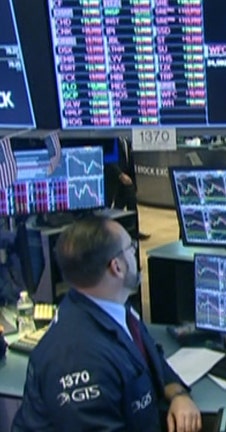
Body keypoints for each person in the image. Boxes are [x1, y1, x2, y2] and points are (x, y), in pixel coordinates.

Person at [12, 216, 201, 432]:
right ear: (116, 267)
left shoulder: (113, 307)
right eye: (130, 247)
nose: (134, 252)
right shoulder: (78, 358)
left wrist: (178, 395)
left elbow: (150, 358)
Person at [105, 137, 150, 240]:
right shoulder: (111, 140)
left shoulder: (126, 140)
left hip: (128, 178)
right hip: (114, 178)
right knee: (114, 208)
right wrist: (120, 175)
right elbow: (109, 160)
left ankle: (134, 231)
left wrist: (133, 182)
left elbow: (130, 161)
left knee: (132, 205)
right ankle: (110, 232)